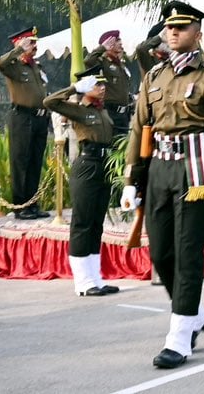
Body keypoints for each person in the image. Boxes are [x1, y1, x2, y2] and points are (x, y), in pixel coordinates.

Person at [120, 1, 204, 369]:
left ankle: (180, 336)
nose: (173, 33)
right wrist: (131, 179)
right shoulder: (153, 76)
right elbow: (140, 128)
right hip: (158, 170)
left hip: (195, 171)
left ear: (197, 34)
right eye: (170, 27)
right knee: (161, 255)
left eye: (182, 27)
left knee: (188, 254)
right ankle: (195, 314)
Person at [43, 66, 120, 297]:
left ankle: (95, 277)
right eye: (97, 84)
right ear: (87, 88)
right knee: (82, 223)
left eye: (103, 84)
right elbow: (49, 102)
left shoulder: (102, 111)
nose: (102, 88)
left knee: (96, 223)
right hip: (86, 165)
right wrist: (74, 88)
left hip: (104, 165)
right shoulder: (78, 110)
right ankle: (83, 282)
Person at [0, 26, 50, 220]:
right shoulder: (14, 66)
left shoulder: (35, 66)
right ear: (19, 43)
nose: (34, 46)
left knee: (35, 162)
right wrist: (18, 49)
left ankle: (32, 204)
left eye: (34, 42)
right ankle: (20, 206)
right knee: (21, 163)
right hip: (22, 117)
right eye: (30, 42)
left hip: (40, 118)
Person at [85, 29, 134, 136]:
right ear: (109, 44)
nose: (120, 43)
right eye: (116, 40)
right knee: (111, 146)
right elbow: (88, 61)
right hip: (111, 112)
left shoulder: (120, 65)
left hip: (124, 114)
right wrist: (102, 48)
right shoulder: (103, 63)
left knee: (121, 148)